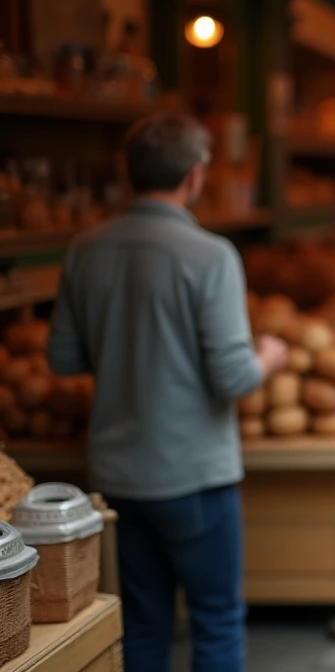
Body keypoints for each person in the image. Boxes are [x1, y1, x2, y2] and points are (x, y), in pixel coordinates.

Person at [45, 112, 288, 672]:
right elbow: (233, 377)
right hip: (194, 476)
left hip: (116, 478)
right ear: (198, 175)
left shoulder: (85, 250)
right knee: (217, 621)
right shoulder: (210, 255)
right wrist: (269, 358)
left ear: (124, 172)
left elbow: (61, 360)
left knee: (143, 625)